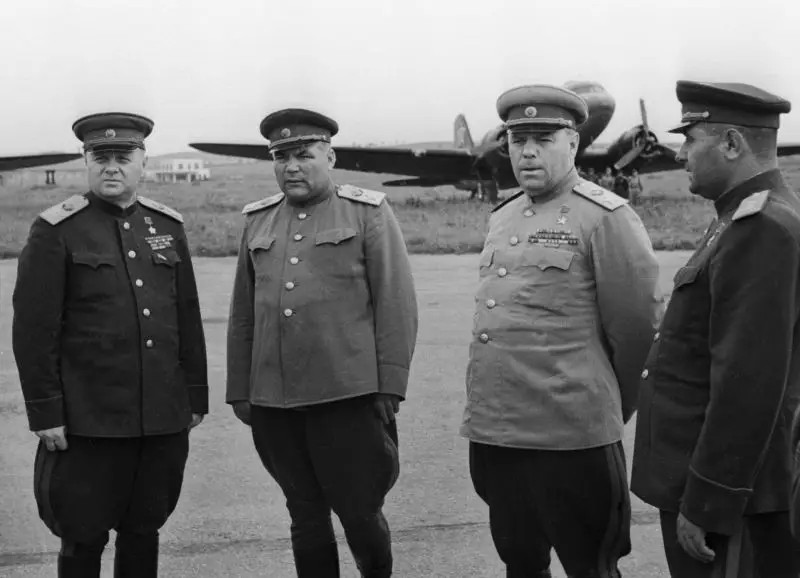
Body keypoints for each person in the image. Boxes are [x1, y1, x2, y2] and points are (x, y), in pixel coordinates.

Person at [461, 84, 662, 578]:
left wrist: (602, 409)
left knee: (591, 567)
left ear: (573, 142)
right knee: (520, 562)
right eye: (518, 140)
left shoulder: (606, 218)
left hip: (573, 440)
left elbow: (637, 336)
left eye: (543, 139)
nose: (527, 152)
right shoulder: (503, 216)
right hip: (499, 436)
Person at [12, 112, 208, 578]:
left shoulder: (166, 226)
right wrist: (45, 412)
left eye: (123, 157)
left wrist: (194, 397)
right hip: (88, 421)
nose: (112, 167)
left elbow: (186, 316)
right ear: (87, 162)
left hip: (159, 418)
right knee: (82, 535)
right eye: (101, 158)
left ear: (143, 162)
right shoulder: (56, 230)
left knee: (144, 529)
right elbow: (34, 331)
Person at [226, 108, 418, 577]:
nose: (292, 166)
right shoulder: (259, 220)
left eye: (304, 155)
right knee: (304, 515)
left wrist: (389, 386)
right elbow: (243, 314)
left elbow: (395, 304)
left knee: (360, 512)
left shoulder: (367, 212)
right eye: (282, 157)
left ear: (329, 157)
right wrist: (240, 390)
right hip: (275, 402)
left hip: (347, 397)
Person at [631, 80, 800, 577]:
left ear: (731, 143)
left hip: (736, 504)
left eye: (690, 138)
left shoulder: (761, 228)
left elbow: (747, 381)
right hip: (725, 489)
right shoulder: (739, 216)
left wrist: (710, 501)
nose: (680, 154)